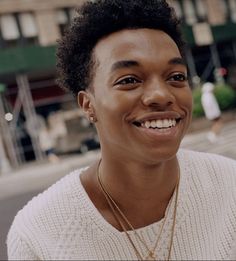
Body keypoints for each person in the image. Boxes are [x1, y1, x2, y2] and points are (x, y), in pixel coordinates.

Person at [7, 0, 236, 260]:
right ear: (88, 104)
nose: (161, 95)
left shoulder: (230, 187)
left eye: (176, 77)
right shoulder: (38, 235)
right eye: (129, 80)